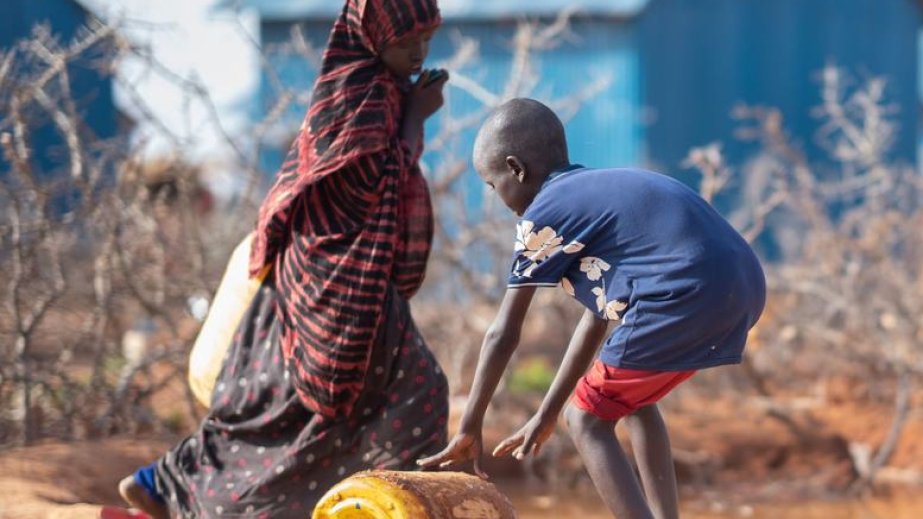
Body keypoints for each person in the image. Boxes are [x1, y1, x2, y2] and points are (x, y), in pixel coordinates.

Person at [119, 1, 450, 517]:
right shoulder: (357, 99)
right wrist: (414, 119)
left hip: (317, 282)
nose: (419, 53)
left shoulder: (377, 89)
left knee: (267, 405)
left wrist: (409, 108)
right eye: (408, 43)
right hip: (333, 288)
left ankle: (161, 482)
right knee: (415, 395)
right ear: (373, 37)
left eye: (426, 40)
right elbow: (372, 188)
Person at [419, 98, 766, 519]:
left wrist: (469, 425)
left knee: (586, 421)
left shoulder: (546, 212)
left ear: (516, 168)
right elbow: (596, 320)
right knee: (631, 400)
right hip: (741, 286)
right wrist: (546, 414)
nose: (497, 197)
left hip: (684, 293)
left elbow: (503, 333)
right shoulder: (594, 195)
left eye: (493, 185)